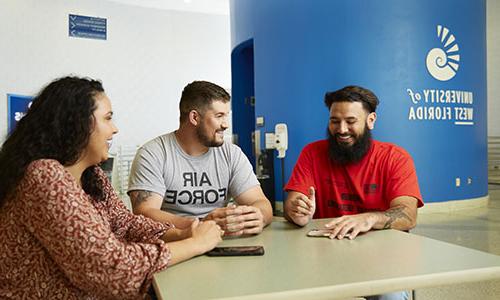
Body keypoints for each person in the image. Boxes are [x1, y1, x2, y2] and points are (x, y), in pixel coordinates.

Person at [0, 76, 223, 300]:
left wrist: (181, 232)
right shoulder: (43, 175)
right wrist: (195, 243)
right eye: (108, 119)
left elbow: (126, 224)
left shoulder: (92, 175)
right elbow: (111, 269)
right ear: (77, 124)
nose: (115, 129)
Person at [284, 85, 423, 300]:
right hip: (324, 254)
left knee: (390, 297)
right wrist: (297, 212)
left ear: (371, 120)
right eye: (334, 121)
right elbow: (293, 203)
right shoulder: (311, 153)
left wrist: (369, 219)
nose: (341, 129)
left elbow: (407, 215)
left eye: (350, 121)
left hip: (383, 258)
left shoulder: (395, 158)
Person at [128, 81, 273, 236]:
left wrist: (259, 217)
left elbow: (261, 203)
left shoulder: (232, 154)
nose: (226, 125)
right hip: (174, 244)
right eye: (219, 116)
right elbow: (144, 213)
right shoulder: (152, 154)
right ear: (194, 117)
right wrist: (203, 225)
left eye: (226, 116)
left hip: (221, 242)